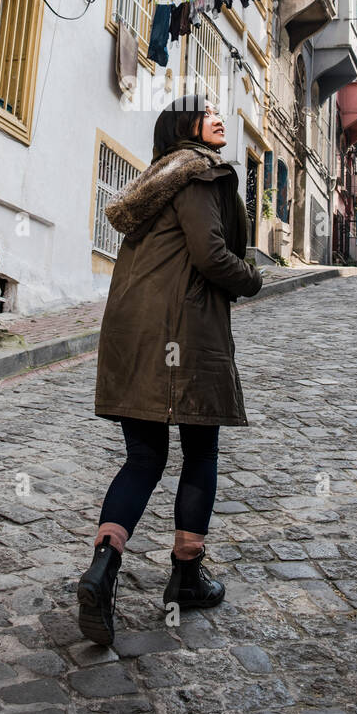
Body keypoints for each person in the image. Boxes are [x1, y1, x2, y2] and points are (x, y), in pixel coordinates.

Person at [76, 93, 263, 645]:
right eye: (207, 112)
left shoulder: (154, 183)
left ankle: (102, 569)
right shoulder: (200, 176)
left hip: (132, 333)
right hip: (183, 334)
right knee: (200, 452)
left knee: (144, 458)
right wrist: (251, 278)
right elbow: (210, 255)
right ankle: (185, 574)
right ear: (186, 128)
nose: (219, 117)